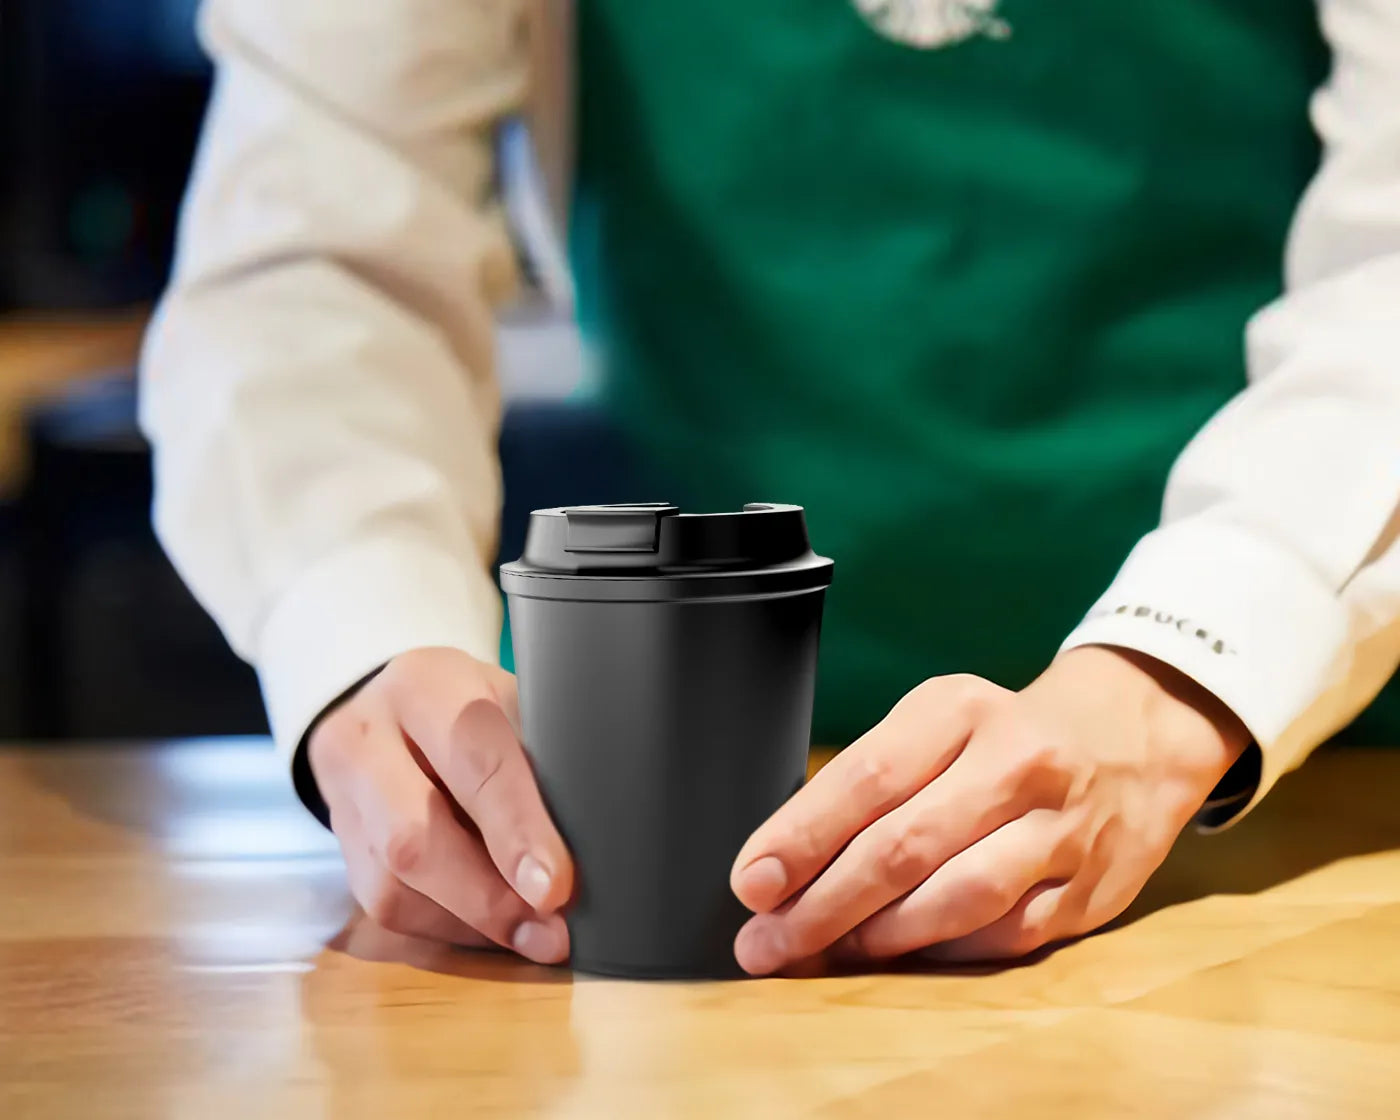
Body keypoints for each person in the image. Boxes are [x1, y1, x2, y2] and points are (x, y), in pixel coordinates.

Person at [140, 0, 1400, 975]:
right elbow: (316, 251)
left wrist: (1178, 673)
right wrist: (364, 651)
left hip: (1303, 757)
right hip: (674, 799)